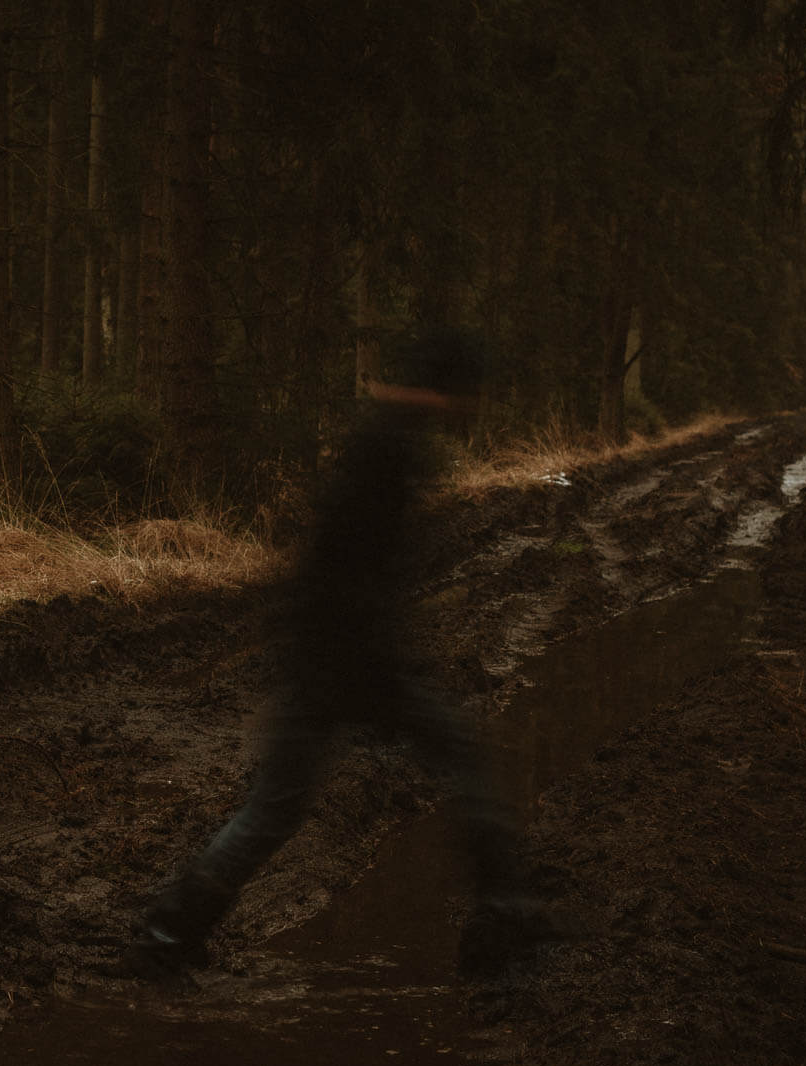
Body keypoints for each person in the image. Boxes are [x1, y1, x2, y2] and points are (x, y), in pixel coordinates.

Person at [122, 332, 542, 980]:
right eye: (468, 395)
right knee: (459, 757)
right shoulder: (391, 451)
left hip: (325, 657)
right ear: (447, 392)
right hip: (347, 662)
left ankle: (167, 933)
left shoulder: (384, 441)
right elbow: (350, 570)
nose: (471, 408)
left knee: (274, 810)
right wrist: (379, 665)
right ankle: (503, 921)